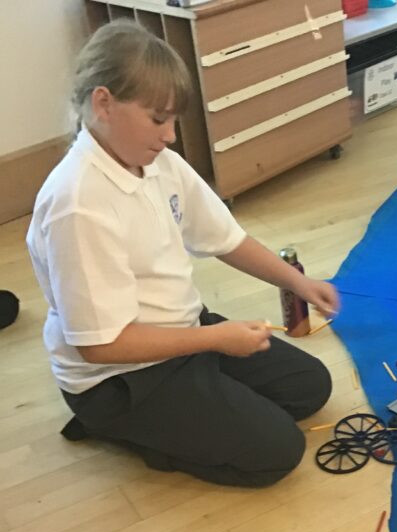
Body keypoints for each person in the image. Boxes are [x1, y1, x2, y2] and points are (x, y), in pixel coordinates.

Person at [26, 21, 337, 487]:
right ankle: (115, 424)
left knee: (310, 387)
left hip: (184, 334)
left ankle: (199, 403)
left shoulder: (157, 161)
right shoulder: (78, 205)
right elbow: (99, 345)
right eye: (158, 119)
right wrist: (215, 339)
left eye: (173, 120)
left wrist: (298, 282)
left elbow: (225, 238)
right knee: (279, 452)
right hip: (119, 377)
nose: (170, 135)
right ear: (104, 103)